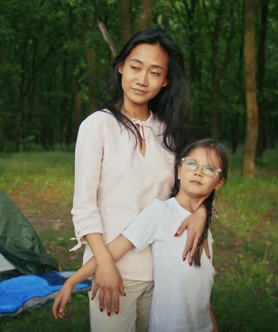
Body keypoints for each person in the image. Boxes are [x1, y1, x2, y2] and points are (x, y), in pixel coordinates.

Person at [70, 28, 207, 331]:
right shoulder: (98, 126)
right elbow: (83, 206)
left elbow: (188, 193)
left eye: (155, 72)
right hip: (113, 271)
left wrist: (202, 212)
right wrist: (104, 263)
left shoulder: (170, 133)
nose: (142, 79)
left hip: (166, 270)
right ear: (121, 66)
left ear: (166, 80)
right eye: (135, 67)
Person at [56, 138, 228, 332]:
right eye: (191, 163)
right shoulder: (159, 212)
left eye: (209, 169)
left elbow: (201, 289)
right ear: (179, 171)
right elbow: (114, 249)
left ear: (219, 182)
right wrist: (72, 281)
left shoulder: (204, 225)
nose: (198, 171)